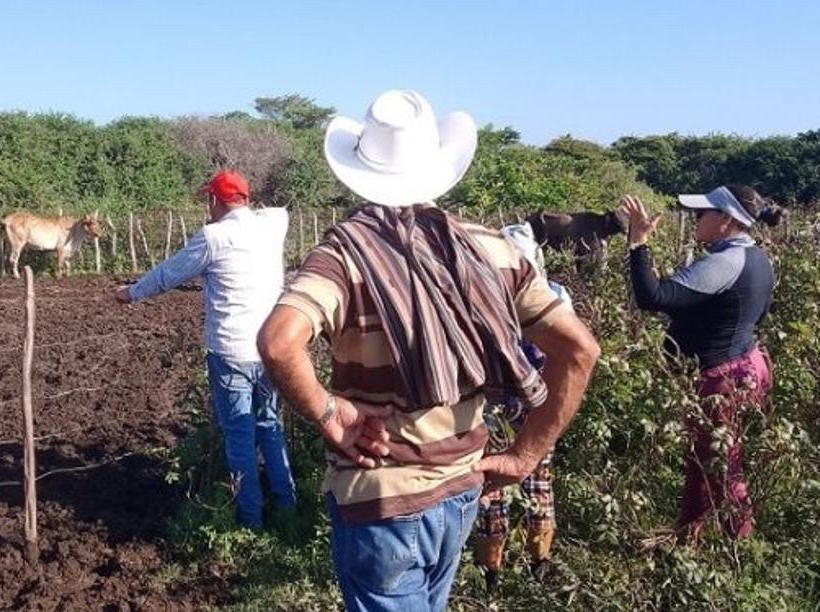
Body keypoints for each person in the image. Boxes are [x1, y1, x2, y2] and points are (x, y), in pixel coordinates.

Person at [257, 89, 599, 611]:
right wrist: (526, 455)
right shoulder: (493, 249)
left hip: (381, 500)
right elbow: (579, 350)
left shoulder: (343, 255)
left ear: (356, 170)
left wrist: (330, 414)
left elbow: (279, 342)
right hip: (463, 488)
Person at [114, 171, 297, 529]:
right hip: (271, 348)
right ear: (247, 199)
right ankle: (289, 509)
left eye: (208, 200)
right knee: (270, 425)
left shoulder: (214, 237)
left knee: (240, 437)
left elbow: (170, 274)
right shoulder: (273, 226)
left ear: (214, 200)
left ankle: (250, 520)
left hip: (231, 350)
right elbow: (278, 211)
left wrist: (131, 293)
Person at [621, 186, 781, 542]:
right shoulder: (755, 257)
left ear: (725, 220)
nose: (696, 219)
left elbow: (653, 297)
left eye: (702, 213)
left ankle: (740, 550)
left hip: (721, 380)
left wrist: (639, 242)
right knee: (707, 461)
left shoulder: (725, 262)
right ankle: (688, 538)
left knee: (723, 467)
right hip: (743, 366)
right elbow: (754, 314)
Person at [475, 223, 574, 591]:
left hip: (494, 409)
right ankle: (539, 565)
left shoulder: (481, 298)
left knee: (491, 487)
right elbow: (571, 354)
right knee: (540, 483)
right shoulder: (558, 296)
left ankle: (492, 576)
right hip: (541, 405)